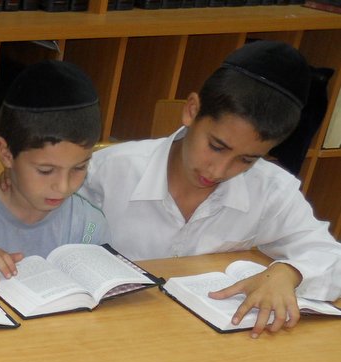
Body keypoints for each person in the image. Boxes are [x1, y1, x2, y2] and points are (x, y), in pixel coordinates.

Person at [80, 39, 341, 340]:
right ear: (192, 110)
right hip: (106, 336)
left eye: (246, 159)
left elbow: (329, 256)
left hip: (204, 346)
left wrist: (290, 273)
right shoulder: (108, 172)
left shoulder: (269, 189)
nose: (219, 171)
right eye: (216, 146)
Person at [0, 59, 109, 285]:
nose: (63, 186)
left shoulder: (88, 224)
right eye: (46, 170)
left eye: (79, 168)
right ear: (6, 153)